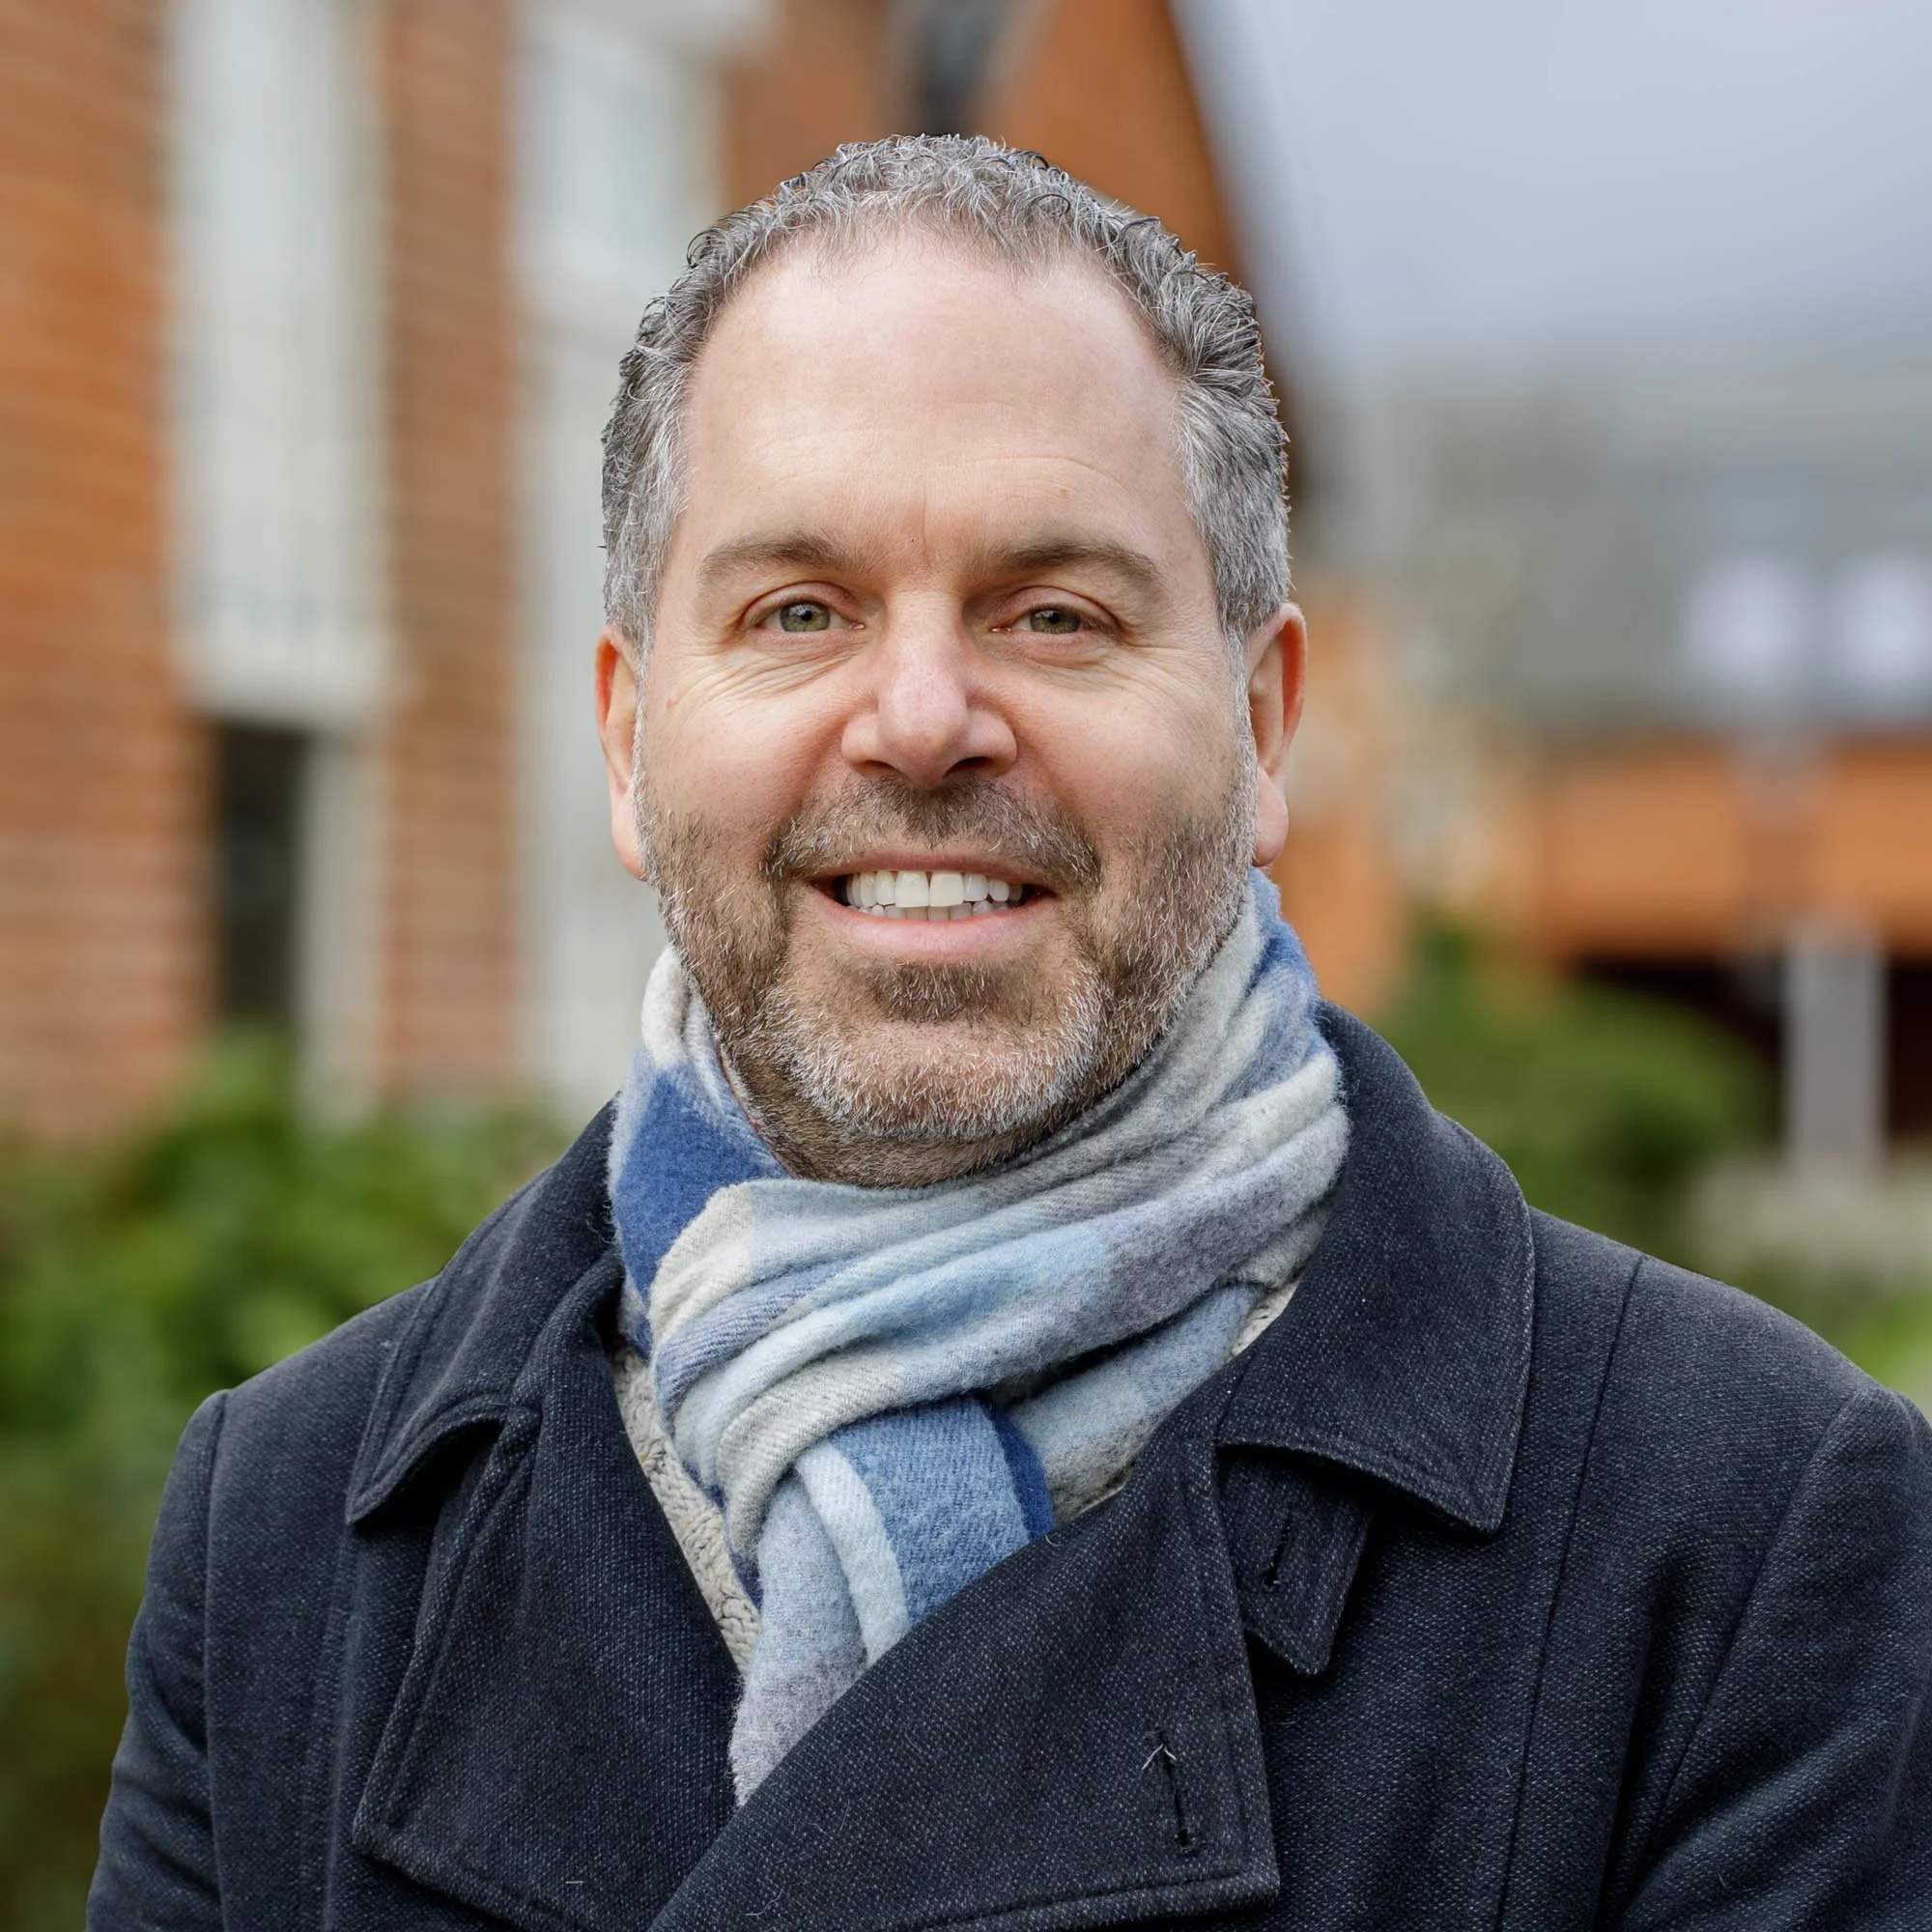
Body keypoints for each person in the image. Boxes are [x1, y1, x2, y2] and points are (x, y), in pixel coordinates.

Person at [91, 137, 1929, 1931]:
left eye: (1052, 613)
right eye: (796, 611)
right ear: (628, 743)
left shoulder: (1742, 1537)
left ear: (1268, 726)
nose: (919, 719)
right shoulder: (286, 1538)